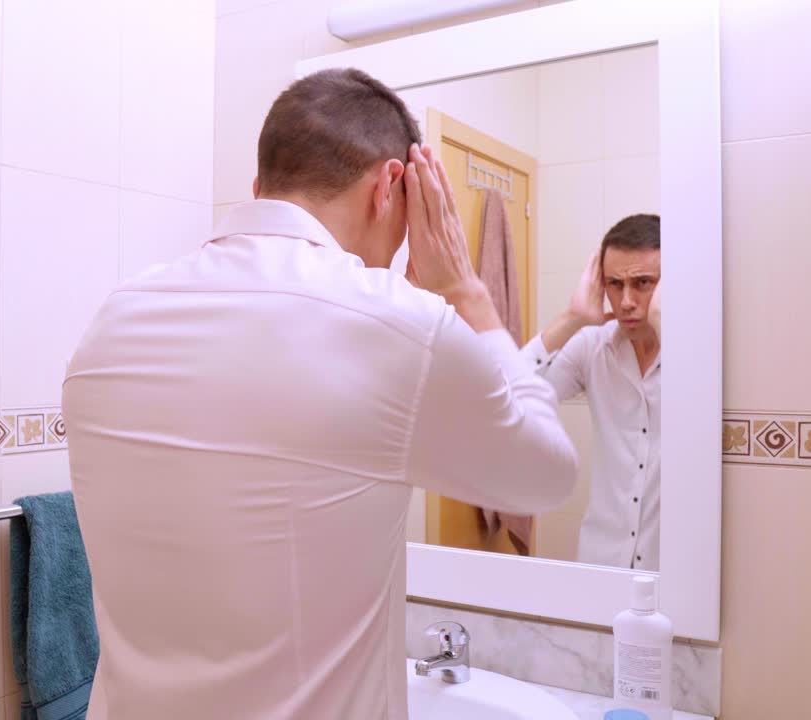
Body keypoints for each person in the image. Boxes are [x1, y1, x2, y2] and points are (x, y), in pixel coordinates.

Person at [62, 68, 577, 719]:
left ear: (259, 187)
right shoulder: (396, 325)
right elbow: (546, 478)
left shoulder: (117, 315)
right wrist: (468, 296)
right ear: (392, 186)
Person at [521, 215, 662, 570]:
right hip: (602, 563)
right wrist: (572, 318)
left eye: (643, 283)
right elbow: (506, 398)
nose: (626, 300)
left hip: (678, 574)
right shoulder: (592, 346)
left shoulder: (703, 353)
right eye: (614, 284)